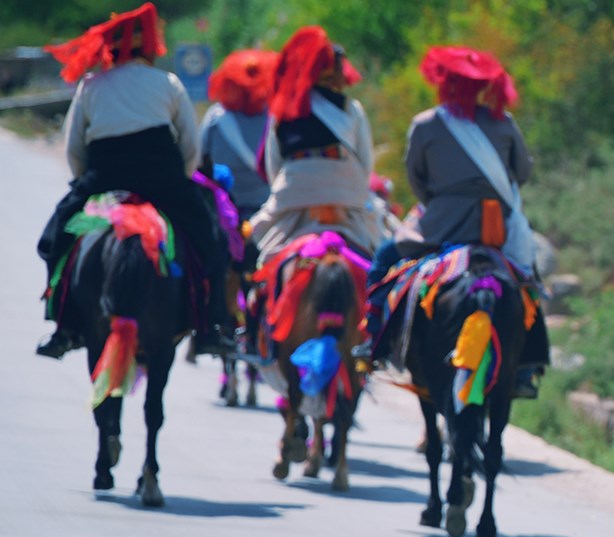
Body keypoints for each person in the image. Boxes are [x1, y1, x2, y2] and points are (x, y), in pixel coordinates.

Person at [35, 3, 233, 359]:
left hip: (103, 177)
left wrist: (85, 183)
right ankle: (210, 328)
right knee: (213, 242)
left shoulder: (91, 86)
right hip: (163, 180)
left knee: (54, 240)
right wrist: (181, 181)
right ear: (150, 48)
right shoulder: (168, 84)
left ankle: (63, 326)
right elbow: (190, 148)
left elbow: (74, 149)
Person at [363, 46, 549, 396]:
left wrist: (440, 202)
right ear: (483, 87)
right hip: (495, 229)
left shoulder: (426, 124)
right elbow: (522, 172)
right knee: (529, 280)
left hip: (440, 225)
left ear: (443, 82)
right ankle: (527, 366)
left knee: (385, 259)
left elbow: (417, 178)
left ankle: (373, 340)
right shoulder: (505, 124)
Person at [247, 26, 382, 267]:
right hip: (346, 197)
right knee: (380, 244)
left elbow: (274, 170)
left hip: (294, 198)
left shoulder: (282, 112)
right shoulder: (351, 109)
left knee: (261, 247)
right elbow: (365, 166)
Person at [199, 48, 277, 223]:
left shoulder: (215, 118)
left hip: (225, 211)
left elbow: (198, 159)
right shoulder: (274, 118)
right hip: (267, 210)